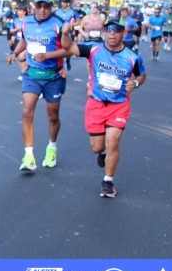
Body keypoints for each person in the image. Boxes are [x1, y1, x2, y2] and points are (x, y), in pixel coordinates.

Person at [61, 14, 146, 198]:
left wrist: (136, 83)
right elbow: (68, 47)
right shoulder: (93, 49)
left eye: (117, 30)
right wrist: (65, 33)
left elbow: (142, 75)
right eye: (109, 30)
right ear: (104, 32)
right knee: (97, 147)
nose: (112, 34)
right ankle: (103, 153)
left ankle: (108, 182)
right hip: (96, 103)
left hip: (119, 105)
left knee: (113, 142)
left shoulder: (133, 57)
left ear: (123, 33)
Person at [6, 0, 68, 171]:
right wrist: (15, 53)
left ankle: (52, 147)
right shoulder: (26, 22)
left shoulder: (58, 24)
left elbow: (69, 50)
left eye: (46, 6)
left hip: (53, 76)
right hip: (32, 74)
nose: (42, 10)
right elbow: (25, 40)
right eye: (39, 6)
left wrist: (47, 55)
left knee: (53, 115)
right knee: (27, 111)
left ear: (51, 7)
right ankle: (28, 156)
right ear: (33, 6)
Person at [9, 3, 30, 80]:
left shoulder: (28, 20)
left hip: (27, 41)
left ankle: (26, 71)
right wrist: (16, 30)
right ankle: (22, 73)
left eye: (20, 10)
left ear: (24, 12)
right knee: (20, 57)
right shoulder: (15, 21)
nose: (18, 12)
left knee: (23, 56)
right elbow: (11, 30)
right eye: (17, 10)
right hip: (18, 40)